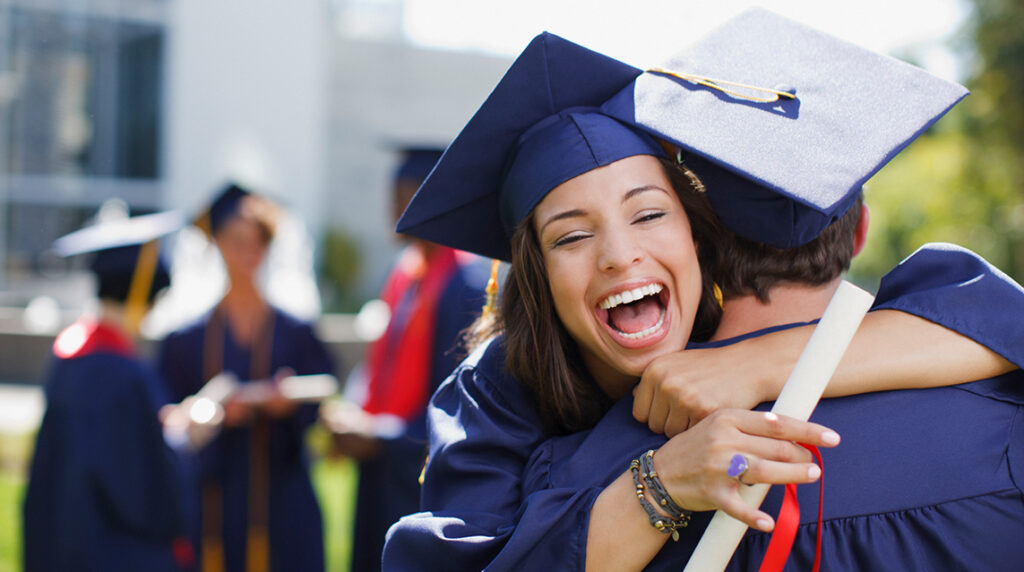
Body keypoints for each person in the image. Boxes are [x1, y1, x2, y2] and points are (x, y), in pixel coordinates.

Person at [382, 23, 1021, 570]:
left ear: (699, 241)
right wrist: (657, 486)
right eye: (571, 236)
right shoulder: (506, 401)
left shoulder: (590, 467)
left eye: (649, 214)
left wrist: (751, 363)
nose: (618, 254)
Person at [321, 148, 488, 571]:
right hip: (383, 467)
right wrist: (356, 418)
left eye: (405, 193)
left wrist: (380, 435)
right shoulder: (404, 275)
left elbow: (457, 403)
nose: (393, 206)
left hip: (420, 476)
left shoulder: (463, 285)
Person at [157, 183, 335, 572]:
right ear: (216, 244)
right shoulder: (186, 338)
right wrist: (204, 412)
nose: (247, 253)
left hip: (281, 492)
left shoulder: (295, 331)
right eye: (236, 241)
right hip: (212, 494)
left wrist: (289, 404)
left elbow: (323, 393)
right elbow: (164, 411)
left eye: (257, 242)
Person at [23, 210, 194, 571]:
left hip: (64, 544)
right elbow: (145, 485)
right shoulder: (125, 374)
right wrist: (182, 440)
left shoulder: (68, 360)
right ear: (141, 296)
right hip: (116, 553)